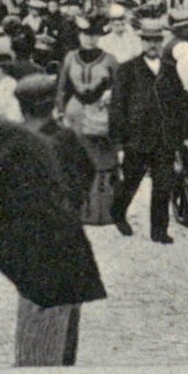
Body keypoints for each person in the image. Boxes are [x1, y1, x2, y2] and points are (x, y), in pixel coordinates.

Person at [0, 88, 107, 367]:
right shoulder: (15, 133)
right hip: (65, 252)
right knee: (61, 353)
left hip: (41, 264)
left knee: (37, 359)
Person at [110, 17, 188, 244]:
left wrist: (182, 134)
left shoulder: (170, 70)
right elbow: (117, 106)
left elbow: (180, 103)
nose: (152, 45)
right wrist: (118, 141)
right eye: (147, 40)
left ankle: (159, 231)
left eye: (156, 40)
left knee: (163, 186)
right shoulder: (128, 70)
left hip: (164, 138)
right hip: (137, 137)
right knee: (131, 181)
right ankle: (118, 213)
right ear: (141, 42)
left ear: (162, 42)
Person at [55, 14, 122, 226]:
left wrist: (111, 98)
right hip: (75, 113)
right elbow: (62, 87)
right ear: (79, 35)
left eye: (93, 35)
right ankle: (77, 210)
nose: (89, 40)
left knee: (101, 161)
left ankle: (103, 212)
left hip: (101, 116)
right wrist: (59, 110)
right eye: (85, 35)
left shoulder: (110, 60)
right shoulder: (70, 58)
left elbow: (121, 90)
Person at [17, 74, 95, 213]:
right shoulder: (66, 136)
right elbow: (87, 171)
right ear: (53, 104)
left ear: (22, 107)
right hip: (62, 217)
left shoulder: (15, 137)